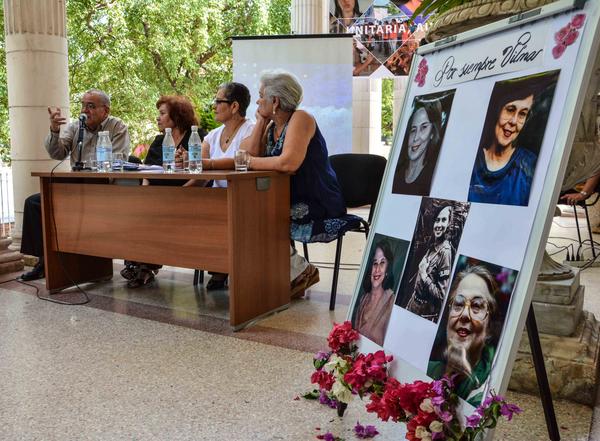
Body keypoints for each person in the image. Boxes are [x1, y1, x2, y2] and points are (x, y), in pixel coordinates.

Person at [240, 70, 347, 297]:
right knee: (248, 213)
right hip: (287, 199)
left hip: (316, 201)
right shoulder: (272, 126)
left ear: (275, 101)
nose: (257, 100)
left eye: (261, 96)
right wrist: (260, 121)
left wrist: (250, 162)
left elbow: (289, 163)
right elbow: (248, 155)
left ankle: (300, 271)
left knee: (255, 217)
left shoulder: (301, 118)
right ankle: (293, 272)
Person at [20, 89, 130, 281]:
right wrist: (54, 131)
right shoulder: (75, 127)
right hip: (76, 187)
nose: (85, 110)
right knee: (34, 203)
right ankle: (44, 262)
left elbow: (118, 161)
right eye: (83, 105)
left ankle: (91, 264)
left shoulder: (117, 126)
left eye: (91, 106)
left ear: (105, 110)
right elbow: (57, 153)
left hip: (104, 188)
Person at [121, 95, 200, 288]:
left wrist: (178, 195)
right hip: (157, 196)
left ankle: (144, 266)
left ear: (177, 116)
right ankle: (140, 264)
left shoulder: (197, 137)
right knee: (136, 211)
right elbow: (146, 171)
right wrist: (146, 194)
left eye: (162, 113)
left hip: (186, 197)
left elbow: (200, 174)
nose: (158, 118)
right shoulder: (159, 140)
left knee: (153, 214)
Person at [183, 82, 254, 290]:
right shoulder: (212, 135)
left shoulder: (251, 130)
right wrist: (179, 194)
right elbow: (201, 172)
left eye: (218, 101)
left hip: (241, 199)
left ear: (234, 106)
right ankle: (218, 266)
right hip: (215, 199)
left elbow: (241, 160)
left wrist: (205, 163)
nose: (213, 106)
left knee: (217, 214)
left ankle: (223, 267)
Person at [427, 265, 500, 407]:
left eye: (477, 305)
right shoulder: (427, 369)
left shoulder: (484, 393)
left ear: (490, 327)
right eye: (458, 304)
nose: (465, 315)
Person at [468, 78, 544, 206]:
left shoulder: (530, 165)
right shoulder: (470, 158)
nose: (514, 121)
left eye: (522, 114)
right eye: (510, 109)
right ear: (497, 110)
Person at [406, 205, 453, 321]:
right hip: (413, 303)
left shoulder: (445, 252)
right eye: (437, 220)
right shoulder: (433, 245)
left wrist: (424, 275)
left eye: (443, 220)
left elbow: (442, 295)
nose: (439, 225)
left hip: (424, 313)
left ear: (449, 223)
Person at [392, 99, 443, 195]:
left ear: (432, 133)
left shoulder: (433, 178)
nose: (415, 138)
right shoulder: (394, 174)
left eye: (424, 127)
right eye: (413, 130)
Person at [353, 240, 395, 345]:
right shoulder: (363, 299)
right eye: (375, 263)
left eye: (382, 263)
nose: (377, 269)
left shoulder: (392, 302)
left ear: (387, 270)